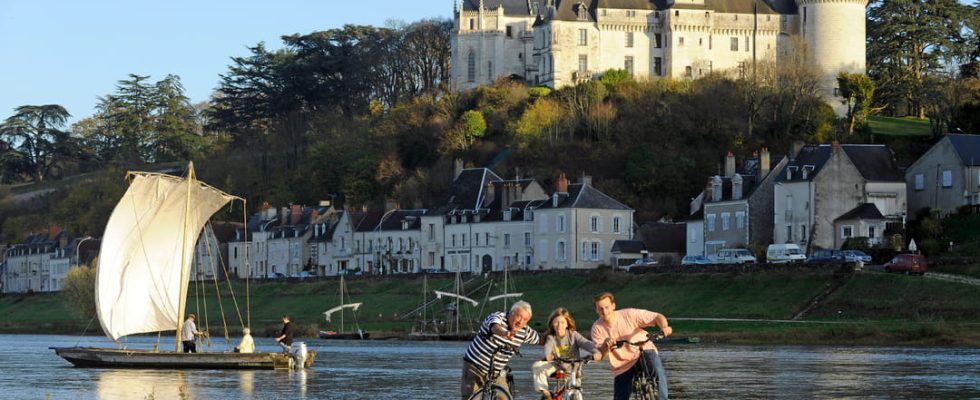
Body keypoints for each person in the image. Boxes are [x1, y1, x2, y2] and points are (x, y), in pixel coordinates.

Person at [590, 292, 672, 400]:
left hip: (643, 349)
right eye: (600, 309)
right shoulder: (597, 328)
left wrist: (664, 327)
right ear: (596, 310)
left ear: (613, 306)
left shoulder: (629, 314)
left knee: (657, 373)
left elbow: (657, 317)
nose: (604, 311)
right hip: (622, 363)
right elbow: (600, 354)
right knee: (620, 396)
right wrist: (606, 345)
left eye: (607, 307)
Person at [461, 300, 543, 400]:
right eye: (519, 316)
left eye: (525, 319)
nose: (520, 321)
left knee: (505, 397)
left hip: (496, 372)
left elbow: (542, 340)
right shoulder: (497, 317)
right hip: (474, 366)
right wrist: (505, 333)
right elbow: (494, 327)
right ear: (511, 313)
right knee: (470, 397)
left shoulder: (525, 331)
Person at [531, 308, 598, 400]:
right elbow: (548, 347)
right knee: (537, 366)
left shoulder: (573, 335)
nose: (559, 325)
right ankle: (546, 393)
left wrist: (596, 352)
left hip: (573, 367)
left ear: (567, 324)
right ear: (552, 324)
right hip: (557, 364)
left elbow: (586, 343)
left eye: (562, 322)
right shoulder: (551, 337)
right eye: (556, 322)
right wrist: (548, 355)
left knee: (574, 388)